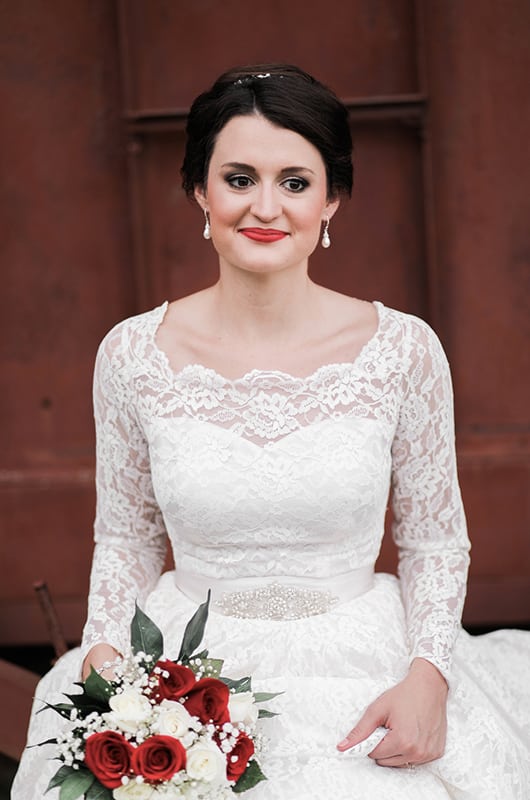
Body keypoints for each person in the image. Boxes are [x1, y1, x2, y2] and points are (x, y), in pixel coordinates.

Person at [12, 64, 530, 799]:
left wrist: (429, 674)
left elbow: (434, 539)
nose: (266, 206)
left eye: (294, 181)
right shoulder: (132, 355)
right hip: (187, 668)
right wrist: (101, 647)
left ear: (331, 198)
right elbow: (126, 534)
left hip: (364, 659)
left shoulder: (402, 350)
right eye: (239, 178)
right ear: (200, 190)